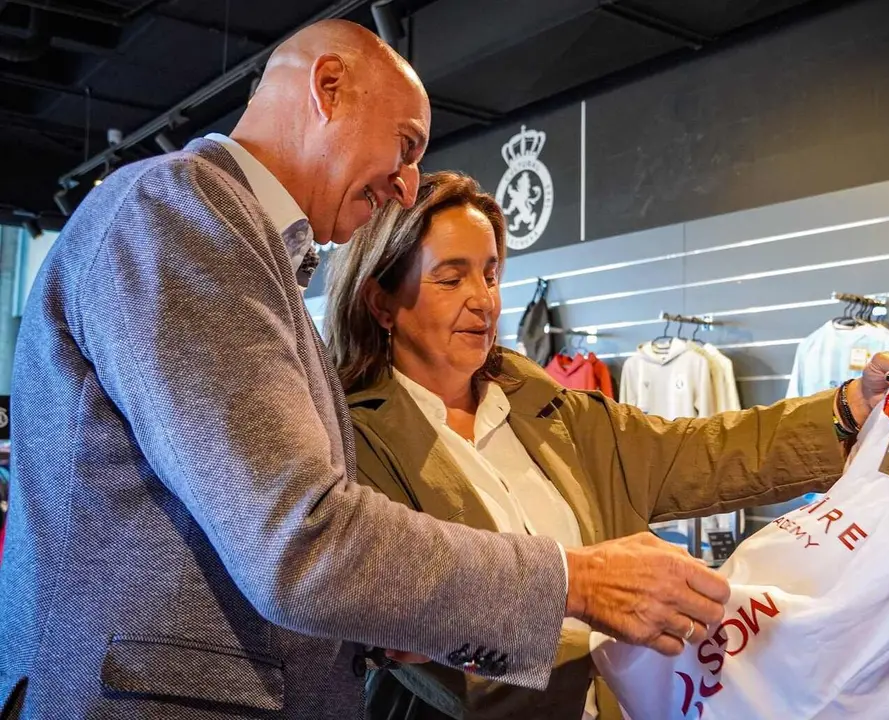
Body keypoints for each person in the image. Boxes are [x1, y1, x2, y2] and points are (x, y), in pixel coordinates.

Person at [0, 21, 733, 720]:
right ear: (327, 87)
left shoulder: (242, 247)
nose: (407, 186)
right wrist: (578, 581)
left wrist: (366, 633)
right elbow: (299, 538)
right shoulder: (179, 211)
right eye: (406, 145)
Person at [322, 170, 889, 720]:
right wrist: (591, 608)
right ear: (381, 303)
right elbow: (398, 621)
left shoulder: (557, 414)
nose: (483, 299)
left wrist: (850, 407)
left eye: (491, 273)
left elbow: (706, 450)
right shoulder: (349, 440)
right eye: (451, 278)